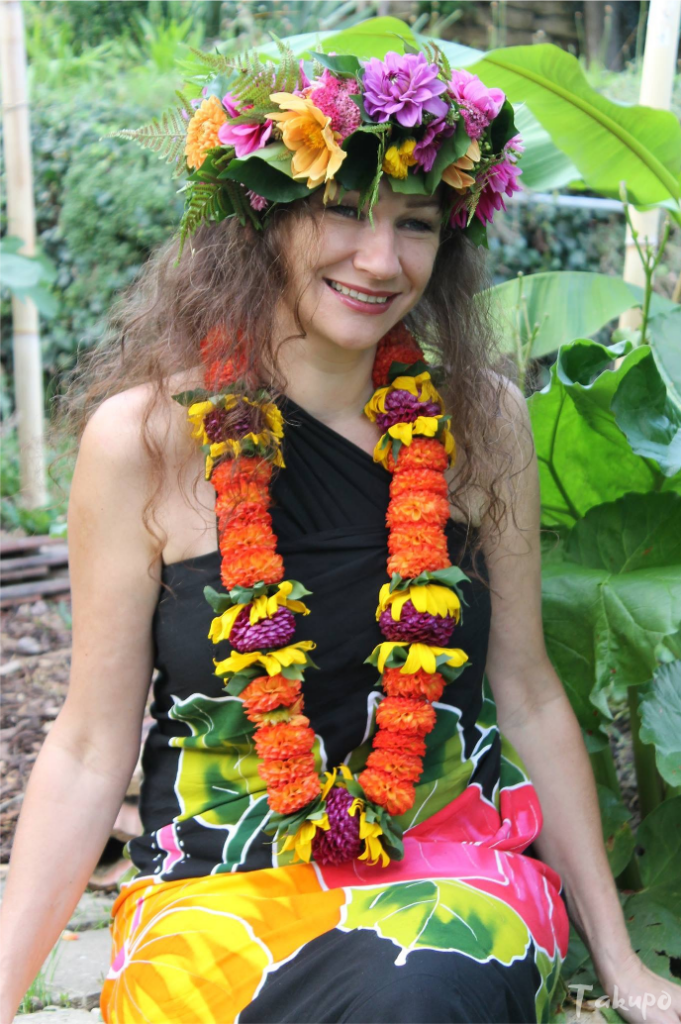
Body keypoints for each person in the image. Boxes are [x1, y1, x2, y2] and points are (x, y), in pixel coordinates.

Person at [1, 31, 680, 1024]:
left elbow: (530, 693)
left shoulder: (481, 424)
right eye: (344, 211)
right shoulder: (143, 441)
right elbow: (88, 745)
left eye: (415, 224)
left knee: (414, 992)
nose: (379, 259)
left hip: (448, 875)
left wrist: (619, 964)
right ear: (264, 216)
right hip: (217, 887)